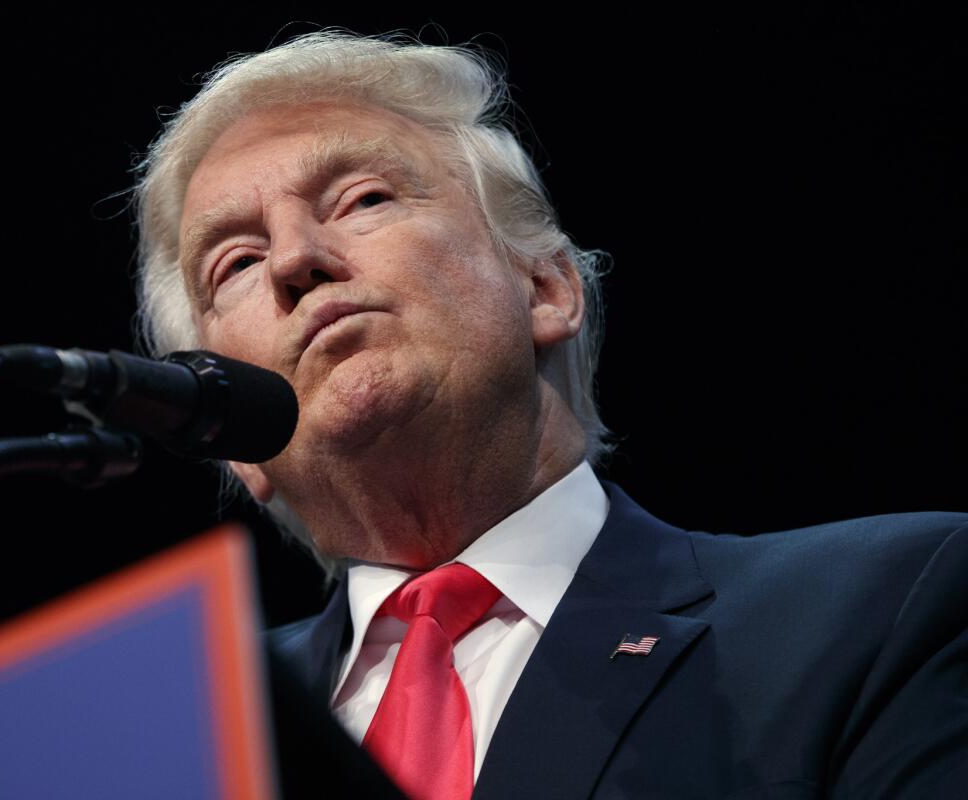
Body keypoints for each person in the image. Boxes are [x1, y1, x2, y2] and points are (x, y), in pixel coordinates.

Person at [134, 32, 967, 799]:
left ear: (545, 288)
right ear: (233, 439)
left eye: (362, 200)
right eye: (235, 261)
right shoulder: (180, 736)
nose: (293, 260)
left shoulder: (880, 609)